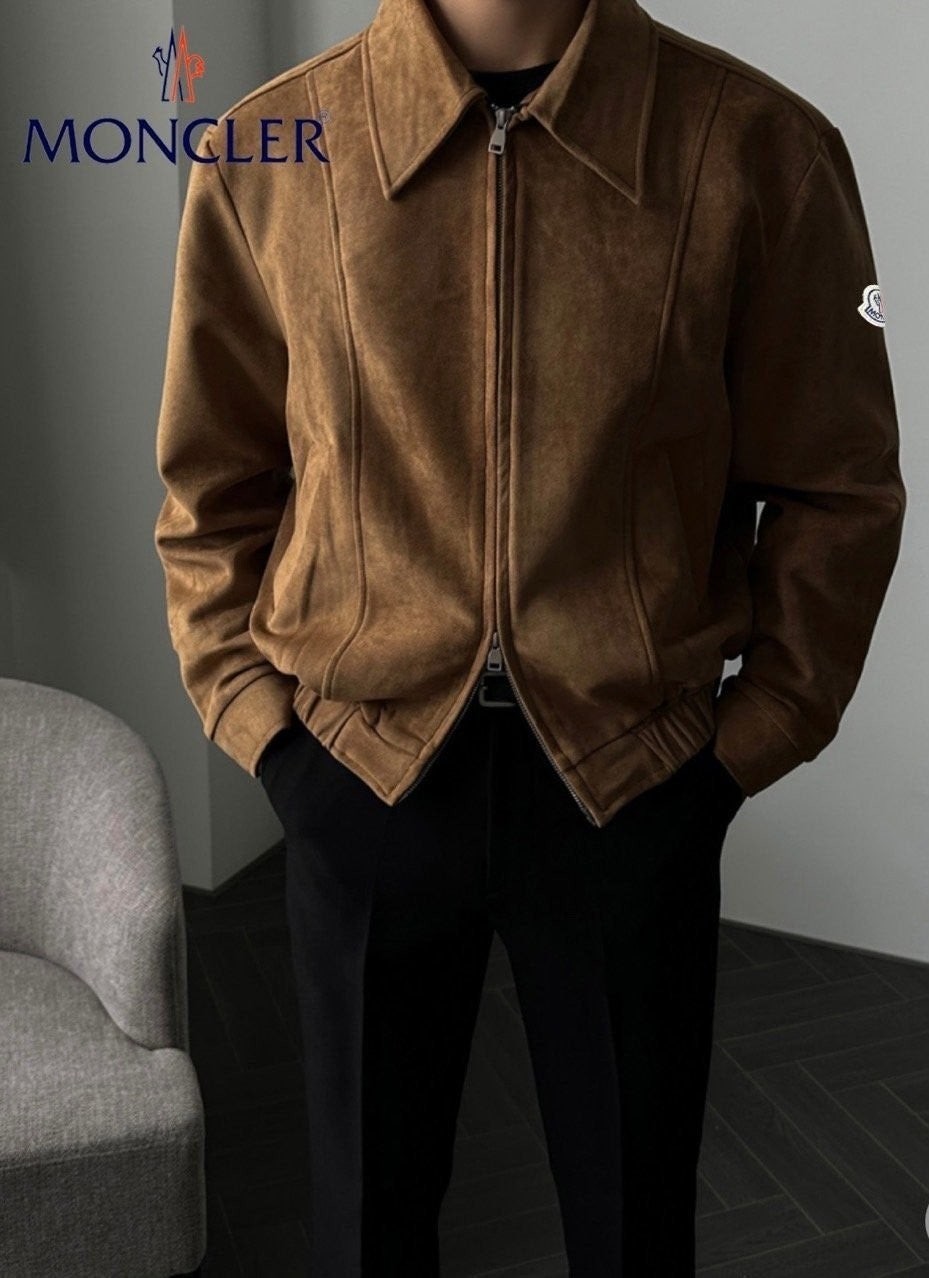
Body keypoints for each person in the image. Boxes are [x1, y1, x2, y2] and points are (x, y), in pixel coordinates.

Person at [153, 0, 906, 1272]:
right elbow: (209, 490)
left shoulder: (754, 148)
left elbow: (839, 487)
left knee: (631, 1231)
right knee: (364, 1231)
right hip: (361, 774)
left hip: (631, 785)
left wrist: (743, 746)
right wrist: (269, 736)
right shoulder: (270, 148)